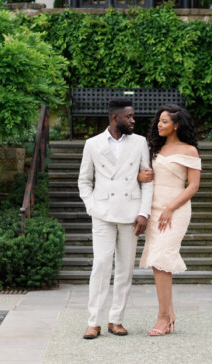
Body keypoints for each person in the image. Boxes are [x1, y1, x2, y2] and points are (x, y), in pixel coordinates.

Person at [77, 98, 153, 339]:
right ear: (114, 118)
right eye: (129, 117)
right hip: (103, 213)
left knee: (125, 269)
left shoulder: (140, 142)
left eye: (133, 116)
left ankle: (116, 320)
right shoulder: (92, 144)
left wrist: (144, 212)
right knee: (100, 265)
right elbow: (84, 180)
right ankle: (93, 322)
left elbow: (148, 179)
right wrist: (91, 206)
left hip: (131, 213)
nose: (133, 120)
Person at [136, 103, 201, 337]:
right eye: (159, 121)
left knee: (162, 257)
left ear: (176, 125)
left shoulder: (190, 151)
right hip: (153, 208)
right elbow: (142, 175)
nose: (159, 125)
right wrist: (140, 176)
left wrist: (170, 208)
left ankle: (163, 317)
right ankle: (169, 314)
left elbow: (193, 186)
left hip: (175, 209)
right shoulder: (153, 148)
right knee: (157, 261)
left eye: (164, 121)